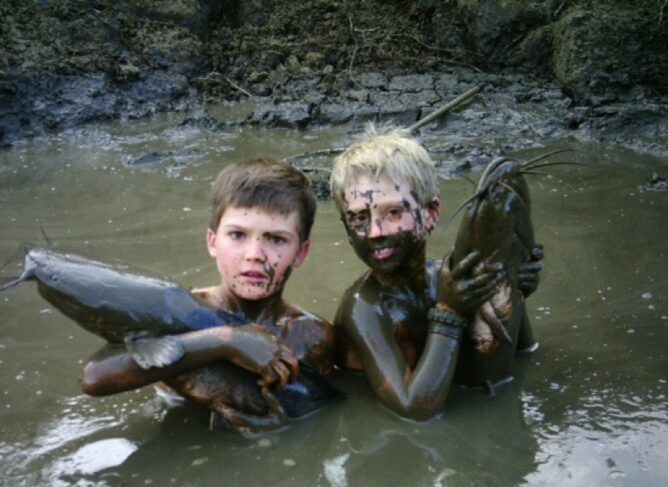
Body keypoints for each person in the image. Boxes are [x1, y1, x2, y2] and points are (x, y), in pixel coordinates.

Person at [81, 159, 336, 432]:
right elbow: (94, 378)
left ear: (301, 253)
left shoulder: (312, 336)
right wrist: (227, 341)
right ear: (212, 242)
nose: (254, 254)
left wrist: (281, 432)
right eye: (238, 235)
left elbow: (325, 418)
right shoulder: (175, 312)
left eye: (276, 239)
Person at [330, 126, 542, 420]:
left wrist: (515, 289)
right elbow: (414, 409)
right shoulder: (364, 306)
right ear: (347, 229)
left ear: (431, 213)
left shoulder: (448, 277)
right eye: (360, 218)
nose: (376, 232)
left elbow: (524, 353)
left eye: (393, 213)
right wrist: (449, 312)